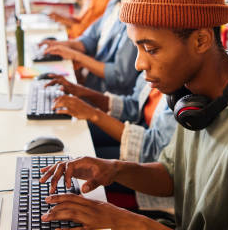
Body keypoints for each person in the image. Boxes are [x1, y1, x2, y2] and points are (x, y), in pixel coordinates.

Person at [38, 0, 228, 229]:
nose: (138, 64)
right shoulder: (194, 100)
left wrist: (128, 222)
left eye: (151, 49)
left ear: (201, 41)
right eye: (137, 48)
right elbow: (173, 177)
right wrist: (114, 169)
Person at [45, 72, 177, 208]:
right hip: (142, 134)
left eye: (152, 49)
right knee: (75, 146)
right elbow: (133, 106)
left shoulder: (183, 100)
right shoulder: (155, 71)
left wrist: (94, 114)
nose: (138, 65)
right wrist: (82, 92)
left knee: (80, 167)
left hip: (151, 164)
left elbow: (154, 150)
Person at [41, 0, 146, 95]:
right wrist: (61, 45)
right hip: (93, 84)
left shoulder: (137, 16)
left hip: (108, 94)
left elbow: (120, 75)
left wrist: (76, 56)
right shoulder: (115, 2)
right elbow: (90, 38)